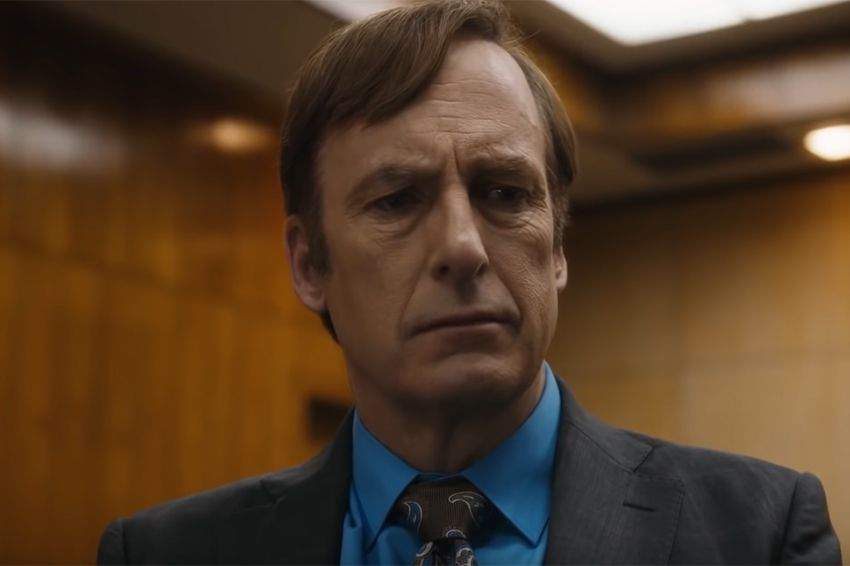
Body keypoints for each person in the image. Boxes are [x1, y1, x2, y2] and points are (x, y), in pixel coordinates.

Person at [98, 0, 842, 564]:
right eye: (397, 201)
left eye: (505, 194)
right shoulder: (163, 553)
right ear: (309, 264)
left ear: (556, 246)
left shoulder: (759, 534)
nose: (462, 247)